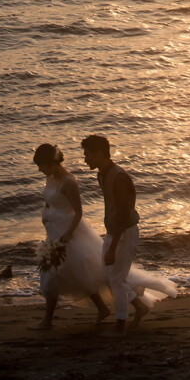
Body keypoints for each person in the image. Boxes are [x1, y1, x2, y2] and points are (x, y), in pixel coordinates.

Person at [32, 143, 110, 330]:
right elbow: (50, 201)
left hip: (68, 232)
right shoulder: (51, 178)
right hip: (53, 231)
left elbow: (78, 212)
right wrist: (47, 215)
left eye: (41, 165)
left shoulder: (69, 182)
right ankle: (49, 320)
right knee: (53, 273)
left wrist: (68, 233)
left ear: (51, 163)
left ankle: (49, 321)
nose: (40, 170)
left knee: (74, 271)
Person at [82, 134, 150, 334]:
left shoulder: (119, 177)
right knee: (107, 275)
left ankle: (120, 324)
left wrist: (113, 246)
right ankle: (139, 306)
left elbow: (123, 214)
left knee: (116, 280)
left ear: (100, 154)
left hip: (124, 231)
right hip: (114, 230)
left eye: (87, 155)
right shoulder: (102, 174)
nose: (85, 159)